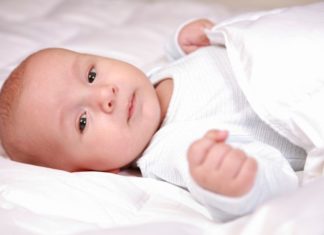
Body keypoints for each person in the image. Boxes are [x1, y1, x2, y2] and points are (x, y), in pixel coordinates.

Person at [0, 19, 306, 221]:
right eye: (82, 121)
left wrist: (181, 43)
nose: (105, 95)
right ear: (101, 168)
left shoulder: (149, 80)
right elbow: (271, 178)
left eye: (91, 75)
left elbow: (183, 65)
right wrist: (233, 185)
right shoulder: (171, 150)